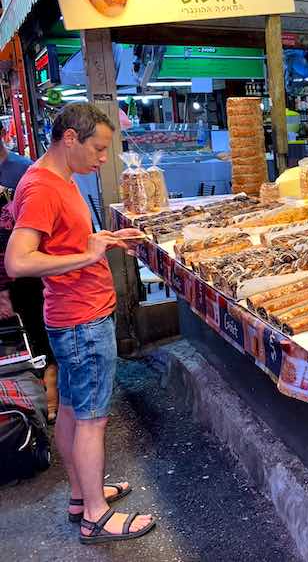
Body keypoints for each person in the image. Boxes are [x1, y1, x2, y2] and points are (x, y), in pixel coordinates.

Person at [5, 103, 155, 544]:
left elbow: (63, 245)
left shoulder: (59, 179)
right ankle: (95, 515)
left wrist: (102, 243)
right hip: (81, 321)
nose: (103, 158)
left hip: (74, 316)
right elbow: (18, 261)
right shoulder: (42, 188)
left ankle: (80, 496)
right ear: (70, 138)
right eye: (99, 148)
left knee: (71, 409)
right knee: (92, 419)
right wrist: (90, 256)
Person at [0, 130, 59, 422]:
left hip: (29, 274)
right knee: (11, 346)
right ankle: (16, 404)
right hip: (2, 278)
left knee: (39, 335)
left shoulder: (25, 170)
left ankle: (48, 398)